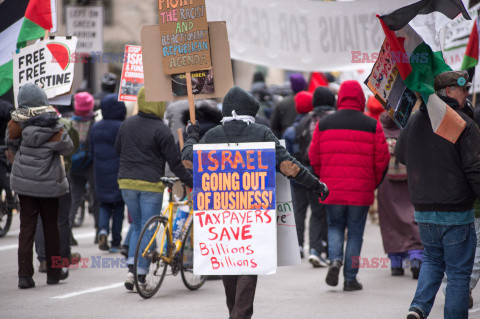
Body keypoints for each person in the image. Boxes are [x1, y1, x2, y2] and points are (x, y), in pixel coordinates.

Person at [182, 86, 329, 319]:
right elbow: (289, 167)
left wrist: (191, 135)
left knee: (228, 262)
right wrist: (317, 185)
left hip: (219, 215)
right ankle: (239, 315)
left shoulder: (212, 135)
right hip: (254, 215)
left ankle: (235, 313)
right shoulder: (261, 133)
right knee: (248, 264)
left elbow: (188, 161)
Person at [396, 71, 480, 319]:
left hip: (423, 209)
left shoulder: (413, 121)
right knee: (457, 274)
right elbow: (475, 170)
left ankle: (417, 309)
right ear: (450, 92)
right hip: (455, 212)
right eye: (464, 90)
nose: (467, 95)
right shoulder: (461, 123)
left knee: (432, 261)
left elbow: (401, 155)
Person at [309, 80, 390, 291]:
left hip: (332, 188)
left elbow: (313, 156)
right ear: (360, 99)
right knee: (355, 234)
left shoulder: (324, 124)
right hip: (360, 191)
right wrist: (372, 183)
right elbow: (382, 159)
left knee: (334, 226)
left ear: (340, 98)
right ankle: (350, 278)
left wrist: (323, 178)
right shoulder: (372, 125)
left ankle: (335, 260)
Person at [115, 87, 193, 290]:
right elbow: (174, 163)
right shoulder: (161, 129)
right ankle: (141, 275)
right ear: (159, 103)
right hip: (150, 183)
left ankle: (131, 271)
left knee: (138, 224)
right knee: (149, 226)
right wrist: (190, 181)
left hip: (126, 182)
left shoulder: (127, 124)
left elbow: (118, 148)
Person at [7, 83, 74, 288]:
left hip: (25, 185)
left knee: (26, 228)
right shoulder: (54, 126)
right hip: (49, 185)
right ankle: (54, 273)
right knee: (51, 227)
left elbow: (10, 144)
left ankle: (25, 276)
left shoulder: (16, 125)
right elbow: (69, 147)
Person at [283, 88, 334, 266]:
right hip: (319, 174)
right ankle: (317, 248)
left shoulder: (300, 124)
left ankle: (298, 245)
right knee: (319, 213)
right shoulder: (330, 120)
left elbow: (288, 153)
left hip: (299, 174)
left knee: (299, 211)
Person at [377, 112, 423, 279]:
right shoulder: (410, 127)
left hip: (385, 181)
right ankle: (416, 257)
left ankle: (396, 264)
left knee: (390, 220)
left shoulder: (380, 130)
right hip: (410, 179)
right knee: (413, 217)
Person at [34, 108, 81, 274]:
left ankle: (43, 259)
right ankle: (63, 257)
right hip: (58, 174)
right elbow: (71, 147)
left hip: (33, 178)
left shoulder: (25, 126)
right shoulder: (62, 125)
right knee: (62, 218)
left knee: (40, 218)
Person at [90, 94, 126, 253]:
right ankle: (116, 241)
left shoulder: (95, 127)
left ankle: (102, 230)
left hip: (100, 170)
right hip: (119, 170)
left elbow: (90, 151)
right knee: (118, 205)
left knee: (104, 203)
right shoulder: (122, 126)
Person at [69, 92, 100, 245]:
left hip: (73, 166)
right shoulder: (94, 122)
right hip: (90, 164)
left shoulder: (69, 122)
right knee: (96, 197)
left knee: (74, 197)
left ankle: (68, 232)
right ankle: (98, 232)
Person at [270, 73, 307, 138]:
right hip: (306, 139)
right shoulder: (310, 101)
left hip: (286, 140)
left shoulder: (283, 103)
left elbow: (274, 127)